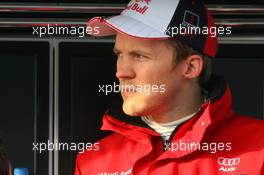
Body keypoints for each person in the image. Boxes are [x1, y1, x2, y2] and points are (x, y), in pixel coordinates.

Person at [74, 0, 264, 174]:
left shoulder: (258, 150)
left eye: (139, 56)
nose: (121, 72)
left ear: (190, 67)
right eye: (119, 55)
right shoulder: (93, 162)